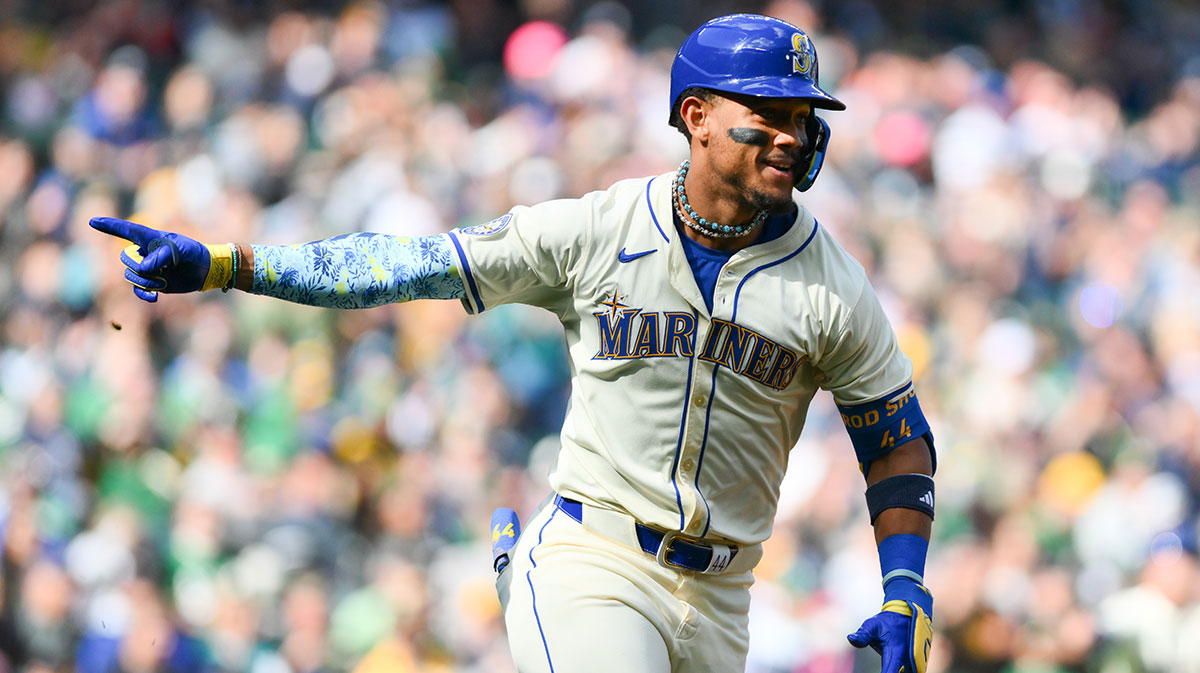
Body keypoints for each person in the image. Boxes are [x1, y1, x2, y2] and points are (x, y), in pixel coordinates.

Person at [91, 13, 936, 673]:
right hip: (598, 556)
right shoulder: (595, 230)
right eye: (768, 113)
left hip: (724, 597)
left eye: (803, 116)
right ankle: (535, 586)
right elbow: (404, 264)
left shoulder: (832, 284)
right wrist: (228, 263)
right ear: (697, 116)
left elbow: (896, 439)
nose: (793, 134)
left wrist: (904, 586)